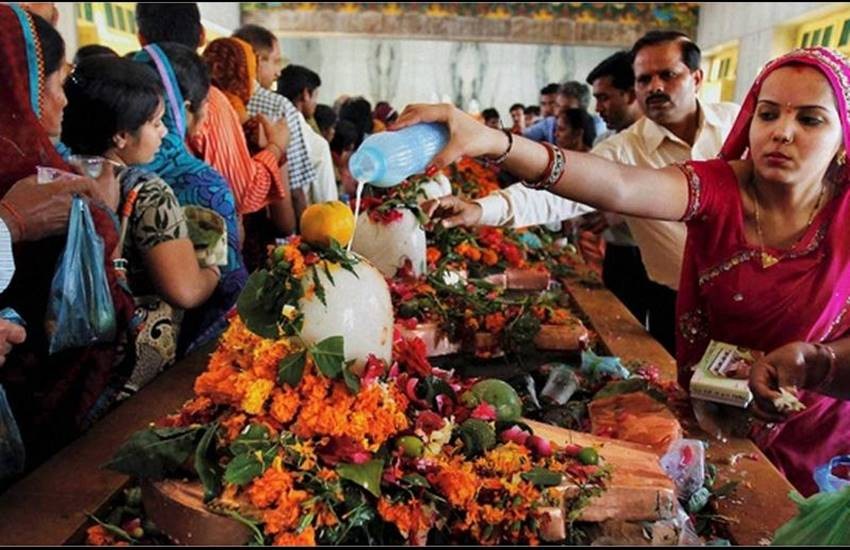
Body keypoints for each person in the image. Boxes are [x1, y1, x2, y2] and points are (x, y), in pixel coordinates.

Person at [399, 44, 850, 496]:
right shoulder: (721, 186)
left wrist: (814, 362)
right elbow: (618, 185)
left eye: (810, 120)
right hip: (724, 418)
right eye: (768, 114)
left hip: (823, 443)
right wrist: (495, 143)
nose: (782, 132)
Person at [0, 5, 135, 466]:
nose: (63, 101)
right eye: (57, 82)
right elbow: (95, 318)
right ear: (21, 87)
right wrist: (13, 223)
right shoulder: (31, 181)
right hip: (36, 420)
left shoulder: (47, 173)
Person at [62, 55, 222, 392]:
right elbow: (185, 291)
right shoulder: (146, 191)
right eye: (155, 122)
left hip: (62, 368)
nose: (164, 132)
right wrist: (211, 266)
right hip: (124, 372)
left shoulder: (49, 178)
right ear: (121, 135)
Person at [134, 43, 248, 356]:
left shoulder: (94, 166)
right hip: (179, 361)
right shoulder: (199, 181)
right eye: (205, 105)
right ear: (183, 108)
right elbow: (228, 293)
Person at [234, 23, 315, 223]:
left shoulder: (211, 102)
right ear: (257, 60)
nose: (278, 72)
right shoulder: (279, 107)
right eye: (275, 61)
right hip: (269, 224)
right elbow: (295, 189)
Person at [276, 64, 338, 204]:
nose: (316, 103)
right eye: (315, 96)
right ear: (305, 94)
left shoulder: (268, 125)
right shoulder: (317, 143)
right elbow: (328, 202)